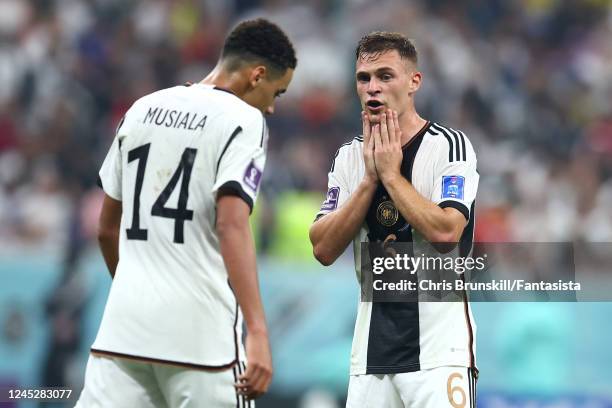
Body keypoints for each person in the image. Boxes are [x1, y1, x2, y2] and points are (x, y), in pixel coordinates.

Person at [76, 18, 296, 407]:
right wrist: (258, 331)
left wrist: (138, 289)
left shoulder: (143, 108)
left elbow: (106, 230)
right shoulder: (244, 121)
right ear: (257, 76)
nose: (273, 108)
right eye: (277, 92)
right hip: (201, 343)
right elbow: (231, 225)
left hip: (122, 335)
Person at [309, 32, 479, 407]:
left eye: (386, 76)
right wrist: (370, 179)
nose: (373, 88)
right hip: (370, 354)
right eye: (364, 78)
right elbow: (322, 246)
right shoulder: (349, 157)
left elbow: (447, 231)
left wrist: (390, 174)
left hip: (438, 353)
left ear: (414, 82)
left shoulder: (449, 146)